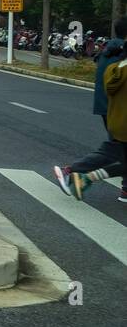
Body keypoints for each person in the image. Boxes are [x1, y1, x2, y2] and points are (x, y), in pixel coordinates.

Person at [54, 28, 127, 203]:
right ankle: (84, 177)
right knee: (117, 157)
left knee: (115, 156)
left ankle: (79, 174)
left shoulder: (113, 68)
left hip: (116, 120)